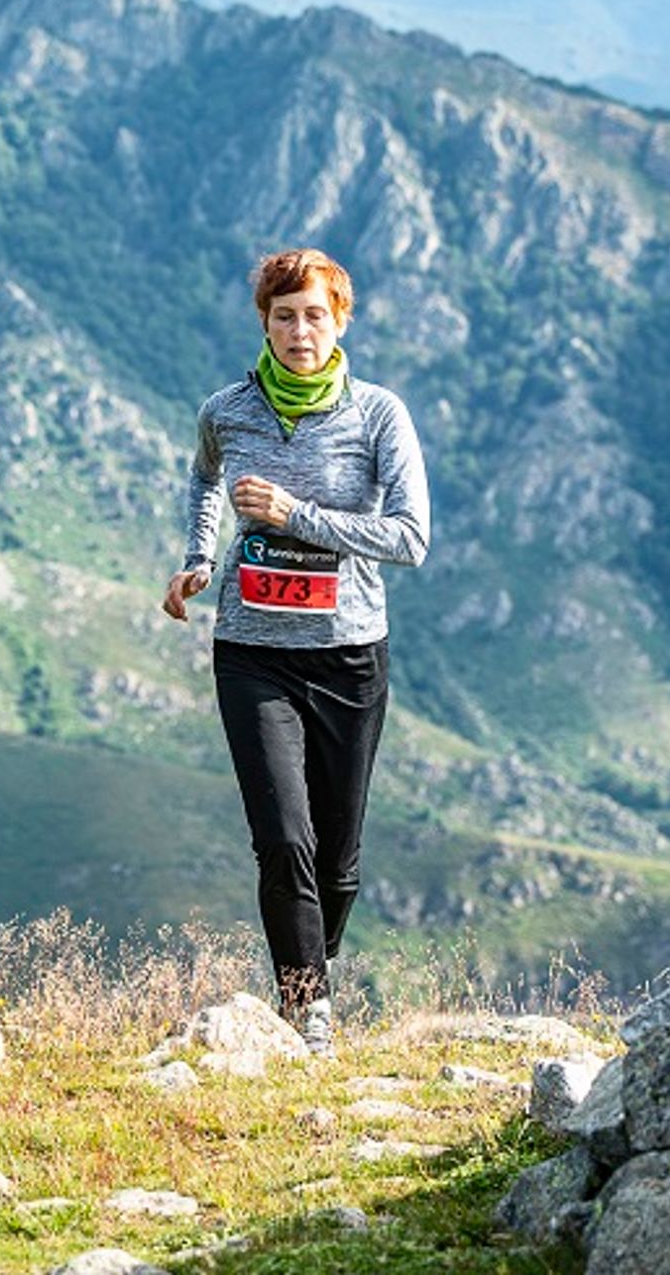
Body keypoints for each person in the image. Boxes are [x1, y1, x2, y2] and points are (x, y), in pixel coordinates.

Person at [162, 247, 429, 1058]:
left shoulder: (379, 414)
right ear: (264, 323)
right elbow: (206, 478)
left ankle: (319, 960)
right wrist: (200, 557)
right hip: (251, 650)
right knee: (283, 836)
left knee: (337, 852)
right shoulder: (228, 410)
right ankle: (306, 1005)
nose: (300, 330)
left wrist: (295, 512)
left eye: (315, 314)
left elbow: (411, 540)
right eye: (285, 315)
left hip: (348, 654)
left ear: (340, 320)